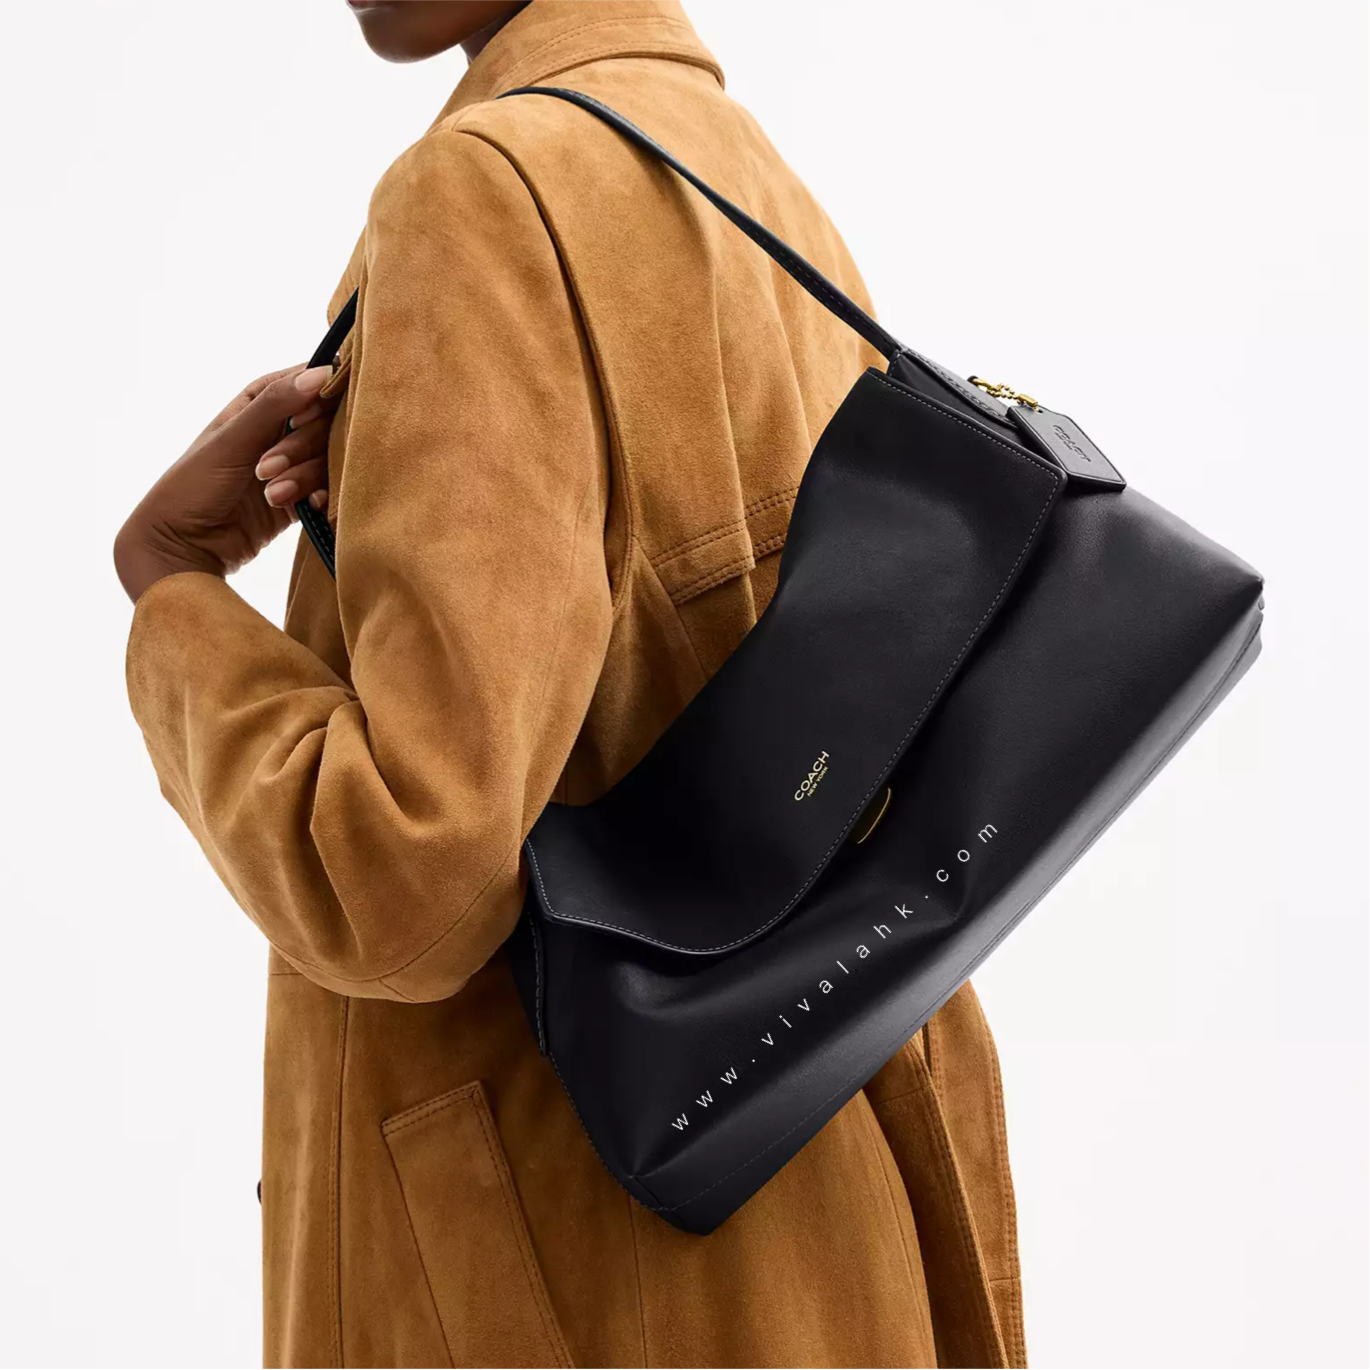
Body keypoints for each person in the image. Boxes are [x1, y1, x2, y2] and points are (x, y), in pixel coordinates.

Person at [116, 1, 1026, 1365]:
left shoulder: (482, 195)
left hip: (586, 1258)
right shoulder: (740, 170)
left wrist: (171, 587)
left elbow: (405, 872)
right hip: (810, 1206)